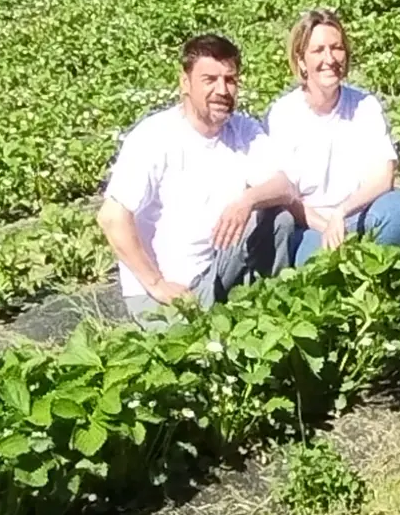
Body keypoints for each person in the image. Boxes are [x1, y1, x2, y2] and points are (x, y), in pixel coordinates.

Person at [97, 33, 296, 320]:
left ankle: (272, 311)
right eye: (210, 80)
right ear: (185, 83)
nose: (222, 90)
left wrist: (247, 200)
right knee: (198, 356)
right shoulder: (154, 137)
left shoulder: (242, 130)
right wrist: (156, 283)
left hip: (216, 270)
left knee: (279, 218)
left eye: (230, 80)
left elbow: (285, 187)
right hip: (168, 290)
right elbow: (111, 217)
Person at [264, 10, 400, 266]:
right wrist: (326, 225)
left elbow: (383, 177)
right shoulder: (284, 114)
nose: (329, 58)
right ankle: (363, 271)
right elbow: (286, 196)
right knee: (321, 262)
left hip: (358, 214)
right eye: (318, 51)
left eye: (336, 48)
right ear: (301, 61)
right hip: (309, 226)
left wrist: (341, 214)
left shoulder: (364, 105)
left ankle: (370, 271)